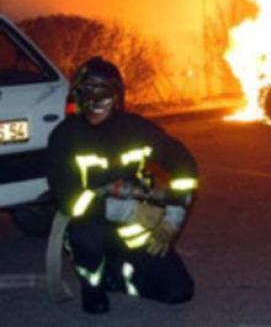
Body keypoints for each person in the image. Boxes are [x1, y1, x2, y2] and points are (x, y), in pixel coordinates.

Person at [46, 56, 198, 314]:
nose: (94, 101)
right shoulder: (65, 136)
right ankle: (93, 285)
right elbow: (69, 200)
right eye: (87, 91)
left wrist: (173, 218)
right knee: (86, 237)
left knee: (179, 292)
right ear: (78, 95)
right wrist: (130, 210)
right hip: (91, 220)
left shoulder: (135, 128)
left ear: (117, 96)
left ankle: (117, 275)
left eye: (102, 93)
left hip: (132, 227)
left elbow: (183, 164)